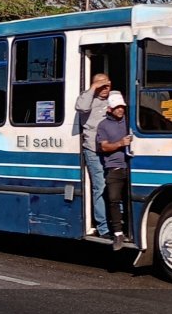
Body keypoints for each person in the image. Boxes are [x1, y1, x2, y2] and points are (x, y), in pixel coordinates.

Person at [75, 73, 112, 238]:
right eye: (101, 85)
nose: (105, 89)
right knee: (100, 186)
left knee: (114, 186)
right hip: (93, 150)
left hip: (112, 150)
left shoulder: (113, 98)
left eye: (107, 85)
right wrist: (94, 88)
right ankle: (103, 227)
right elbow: (81, 107)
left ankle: (117, 221)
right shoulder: (87, 98)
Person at [96, 91, 132, 251]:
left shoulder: (130, 121)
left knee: (131, 199)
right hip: (114, 167)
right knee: (113, 199)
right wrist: (120, 143)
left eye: (122, 107)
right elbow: (104, 146)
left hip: (131, 166)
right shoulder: (103, 125)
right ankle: (118, 233)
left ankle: (131, 230)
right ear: (110, 109)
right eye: (117, 107)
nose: (120, 110)